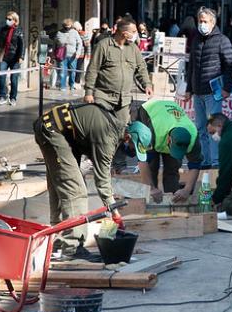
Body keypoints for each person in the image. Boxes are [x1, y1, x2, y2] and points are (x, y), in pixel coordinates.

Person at [34, 102, 151, 258]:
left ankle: (56, 239)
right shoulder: (107, 136)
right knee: (76, 190)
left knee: (61, 183)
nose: (130, 152)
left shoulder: (115, 127)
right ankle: (72, 248)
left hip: (57, 130)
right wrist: (114, 212)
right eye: (132, 148)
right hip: (54, 131)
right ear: (128, 137)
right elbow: (102, 180)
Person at [182, 7, 232, 168]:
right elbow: (191, 67)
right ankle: (205, 160)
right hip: (197, 93)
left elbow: (229, 66)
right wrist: (189, 89)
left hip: (213, 93)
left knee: (214, 128)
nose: (202, 24)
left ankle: (217, 161)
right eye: (200, 21)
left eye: (205, 21)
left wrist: (227, 88)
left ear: (212, 22)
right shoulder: (196, 39)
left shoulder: (222, 40)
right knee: (200, 128)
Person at [131, 99, 202, 204]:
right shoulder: (151, 134)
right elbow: (142, 160)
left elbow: (195, 164)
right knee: (152, 165)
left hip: (168, 119)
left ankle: (174, 198)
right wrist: (151, 188)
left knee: (172, 166)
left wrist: (187, 190)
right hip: (148, 113)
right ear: (168, 140)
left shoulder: (193, 136)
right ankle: (150, 199)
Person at [84, 16, 152, 123]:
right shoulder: (103, 46)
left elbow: (141, 68)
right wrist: (88, 92)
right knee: (102, 129)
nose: (136, 34)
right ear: (124, 33)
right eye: (133, 31)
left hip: (124, 100)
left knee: (122, 131)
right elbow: (93, 69)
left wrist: (147, 84)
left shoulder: (133, 48)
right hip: (103, 97)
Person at [0, 11, 24, 106]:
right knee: (1, 76)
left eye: (10, 19)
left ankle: (13, 97)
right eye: (6, 18)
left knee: (14, 78)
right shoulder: (3, 30)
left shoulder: (19, 31)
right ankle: (2, 96)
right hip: (5, 56)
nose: (7, 21)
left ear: (15, 20)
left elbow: (21, 45)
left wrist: (21, 57)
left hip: (15, 58)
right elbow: (0, 45)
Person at [55, 18, 83, 93]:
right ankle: (62, 86)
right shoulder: (59, 33)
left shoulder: (75, 32)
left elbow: (80, 43)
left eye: (69, 26)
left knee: (72, 72)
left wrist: (78, 53)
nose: (67, 28)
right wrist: (54, 54)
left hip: (72, 55)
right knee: (62, 71)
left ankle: (71, 85)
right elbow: (55, 43)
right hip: (62, 55)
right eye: (66, 26)